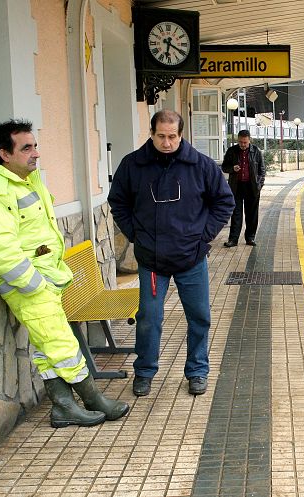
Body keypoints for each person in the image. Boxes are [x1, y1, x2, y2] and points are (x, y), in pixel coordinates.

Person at [0, 119, 129, 428]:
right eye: (26, 148)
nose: (35, 153)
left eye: (35, 145)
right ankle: (93, 398)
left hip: (47, 277)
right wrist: (34, 284)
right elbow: (1, 249)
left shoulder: (27, 179)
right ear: (4, 154)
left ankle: (63, 406)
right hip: (29, 285)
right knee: (62, 344)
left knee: (46, 345)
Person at [108, 110, 234, 397]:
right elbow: (118, 202)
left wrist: (204, 238)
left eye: (172, 137)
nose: (166, 142)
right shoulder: (133, 165)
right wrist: (136, 235)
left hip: (191, 257)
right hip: (152, 260)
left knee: (199, 316)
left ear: (181, 135)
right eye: (161, 136)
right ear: (151, 133)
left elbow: (224, 202)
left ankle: (197, 371)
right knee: (149, 318)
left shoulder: (201, 166)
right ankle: (144, 371)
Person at [221, 129, 265, 247]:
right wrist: (232, 169)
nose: (243, 145)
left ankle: (250, 238)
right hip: (236, 187)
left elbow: (262, 170)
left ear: (249, 140)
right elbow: (224, 167)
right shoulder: (231, 151)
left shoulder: (256, 151)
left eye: (245, 142)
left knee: (252, 214)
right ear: (238, 140)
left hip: (252, 187)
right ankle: (233, 240)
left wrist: (259, 185)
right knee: (236, 214)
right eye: (240, 142)